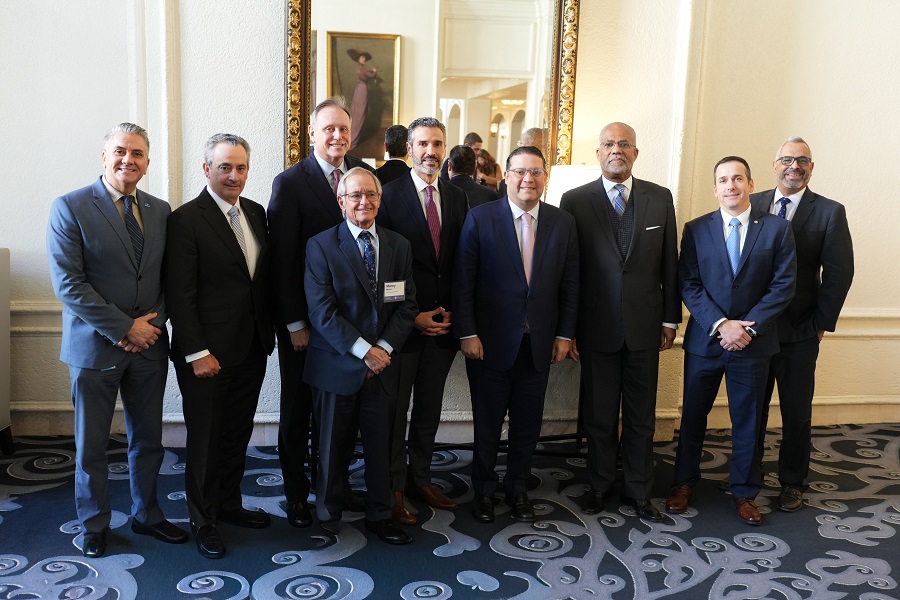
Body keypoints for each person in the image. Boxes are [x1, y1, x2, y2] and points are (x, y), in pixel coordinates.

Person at [47, 123, 187, 559]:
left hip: (149, 345)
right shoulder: (70, 206)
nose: (129, 159)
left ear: (148, 162)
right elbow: (69, 284)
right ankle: (94, 524)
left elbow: (167, 278)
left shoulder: (160, 210)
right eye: (121, 151)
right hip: (94, 348)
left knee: (148, 439)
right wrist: (125, 328)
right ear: (104, 157)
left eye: (138, 153)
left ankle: (148, 514)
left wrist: (150, 326)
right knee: (92, 445)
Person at [559, 122, 680, 521]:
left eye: (624, 144)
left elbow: (670, 264)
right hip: (595, 328)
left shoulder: (660, 198)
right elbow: (569, 271)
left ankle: (639, 491)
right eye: (609, 144)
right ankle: (599, 485)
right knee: (599, 416)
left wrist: (670, 319)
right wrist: (569, 329)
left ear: (636, 153)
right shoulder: (574, 201)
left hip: (647, 327)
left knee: (642, 417)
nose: (617, 150)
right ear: (598, 153)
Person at [267, 97, 377, 531]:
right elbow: (282, 260)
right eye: (328, 128)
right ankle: (296, 495)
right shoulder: (291, 182)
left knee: (340, 412)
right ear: (311, 133)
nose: (337, 136)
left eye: (343, 129)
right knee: (298, 412)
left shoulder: (361, 173)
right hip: (306, 325)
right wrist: (295, 322)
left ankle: (334, 484)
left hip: (348, 326)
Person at [668, 156, 796, 526]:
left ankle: (744, 492)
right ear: (715, 188)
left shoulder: (777, 229)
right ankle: (683, 482)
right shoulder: (696, 229)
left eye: (738, 179)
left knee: (748, 422)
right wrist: (722, 324)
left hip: (753, 344)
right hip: (706, 342)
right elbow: (688, 283)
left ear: (751, 185)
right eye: (723, 180)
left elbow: (783, 286)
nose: (731, 186)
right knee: (693, 417)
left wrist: (746, 329)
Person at [453, 146, 579, 524]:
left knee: (527, 424)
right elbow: (463, 282)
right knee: (488, 424)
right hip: (488, 344)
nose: (528, 179)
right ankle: (484, 489)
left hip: (538, 344)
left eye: (536, 172)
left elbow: (571, 284)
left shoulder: (562, 222)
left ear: (545, 177)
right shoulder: (480, 218)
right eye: (520, 171)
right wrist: (467, 333)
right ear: (506, 176)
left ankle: (518, 487)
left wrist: (564, 335)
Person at [165, 134, 275, 558]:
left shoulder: (256, 213)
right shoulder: (186, 220)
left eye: (241, 167)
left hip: (251, 346)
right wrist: (196, 352)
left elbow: (257, 282)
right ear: (206, 168)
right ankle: (203, 519)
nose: (234, 176)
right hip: (206, 354)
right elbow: (181, 294)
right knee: (206, 439)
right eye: (225, 167)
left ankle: (229, 504)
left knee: (236, 433)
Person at [304, 167, 418, 544]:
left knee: (381, 445)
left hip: (383, 367)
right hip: (336, 365)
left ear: (380, 200)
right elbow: (322, 312)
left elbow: (407, 305)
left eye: (370, 194)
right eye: (355, 195)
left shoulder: (399, 245)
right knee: (330, 447)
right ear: (341, 201)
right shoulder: (320, 245)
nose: (363, 202)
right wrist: (365, 351)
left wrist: (382, 350)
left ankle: (380, 514)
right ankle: (327, 515)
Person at [750, 137, 854, 512]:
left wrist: (820, 324)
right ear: (774, 165)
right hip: (754, 329)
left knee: (796, 413)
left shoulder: (829, 212)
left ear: (811, 168)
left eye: (803, 161)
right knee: (752, 409)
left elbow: (839, 273)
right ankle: (747, 475)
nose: (794, 166)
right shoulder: (752, 203)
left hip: (800, 330)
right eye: (787, 159)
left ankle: (793, 482)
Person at [376, 118, 468, 525]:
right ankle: (393, 489)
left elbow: (460, 260)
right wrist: (413, 317)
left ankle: (421, 479)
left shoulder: (458, 196)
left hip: (443, 327)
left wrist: (453, 312)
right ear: (409, 149)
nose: (431, 151)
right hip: (402, 328)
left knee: (429, 409)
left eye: (438, 143)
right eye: (423, 144)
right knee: (395, 414)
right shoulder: (388, 195)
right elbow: (382, 266)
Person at [347, 49, 378, 151]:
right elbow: (370, 75)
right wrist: (374, 72)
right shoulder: (361, 69)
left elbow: (367, 74)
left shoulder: (361, 68)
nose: (364, 59)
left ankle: (353, 140)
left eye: (364, 58)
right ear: (358, 59)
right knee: (359, 114)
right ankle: (353, 141)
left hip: (360, 89)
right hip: (361, 90)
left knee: (358, 113)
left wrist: (371, 71)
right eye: (362, 58)